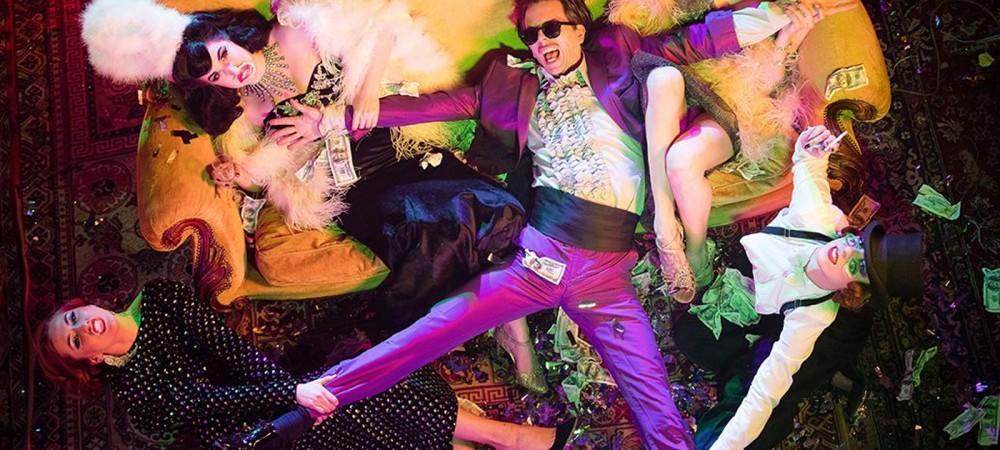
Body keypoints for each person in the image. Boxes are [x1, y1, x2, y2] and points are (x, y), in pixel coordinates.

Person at [239, 0, 849, 448]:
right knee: (435, 328)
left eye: (552, 27)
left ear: (580, 29)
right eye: (531, 34)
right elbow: (428, 107)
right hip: (539, 256)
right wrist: (329, 120)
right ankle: (324, 395)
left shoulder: (621, 54)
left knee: (653, 395)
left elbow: (697, 40)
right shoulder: (510, 87)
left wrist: (780, 14)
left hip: (607, 272)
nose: (540, 41)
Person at [81, 0, 546, 393]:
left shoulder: (294, 25)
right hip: (356, 184)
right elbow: (268, 175)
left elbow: (384, 22)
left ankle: (491, 325)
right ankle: (511, 329)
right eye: (217, 77)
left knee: (493, 210)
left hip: (396, 141)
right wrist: (239, 175)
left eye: (224, 54)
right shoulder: (248, 111)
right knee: (432, 236)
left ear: (229, 34)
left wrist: (364, 95)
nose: (232, 71)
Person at [33, 279, 576, 449]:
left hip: (266, 384)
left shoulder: (161, 297)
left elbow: (233, 353)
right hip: (248, 436)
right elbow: (206, 403)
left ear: (84, 305)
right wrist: (295, 401)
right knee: (339, 413)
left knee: (356, 384)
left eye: (74, 318)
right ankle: (508, 440)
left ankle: (507, 438)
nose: (85, 327)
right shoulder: (135, 393)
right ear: (91, 359)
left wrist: (301, 389)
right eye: (75, 341)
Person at [672, 125, 923, 449]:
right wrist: (812, 147)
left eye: (856, 266)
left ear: (852, 289)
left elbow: (765, 393)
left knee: (769, 415)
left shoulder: (814, 318)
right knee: (691, 336)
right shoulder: (818, 219)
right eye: (856, 245)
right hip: (761, 300)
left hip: (791, 336)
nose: (845, 252)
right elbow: (809, 168)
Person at [637, 0, 850, 302]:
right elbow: (667, 36)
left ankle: (695, 250)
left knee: (681, 161)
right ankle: (666, 228)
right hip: (676, 76)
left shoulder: (786, 13)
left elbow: (765, 80)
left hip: (734, 101)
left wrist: (786, 38)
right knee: (664, 81)